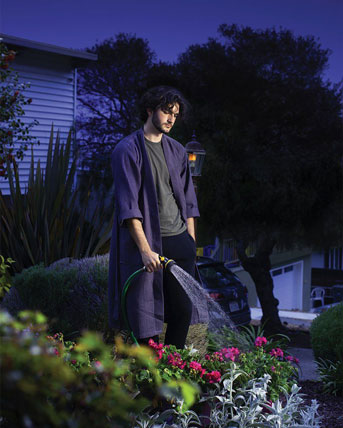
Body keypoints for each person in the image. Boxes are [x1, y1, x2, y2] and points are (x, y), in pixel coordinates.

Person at [108, 86, 208, 348]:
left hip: (179, 242)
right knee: (145, 318)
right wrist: (144, 250)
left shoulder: (176, 150)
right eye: (166, 111)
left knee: (182, 312)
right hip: (148, 245)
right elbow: (128, 207)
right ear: (150, 110)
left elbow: (188, 200)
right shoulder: (127, 150)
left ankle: (171, 373)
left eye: (175, 114)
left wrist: (190, 240)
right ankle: (149, 379)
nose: (171, 119)